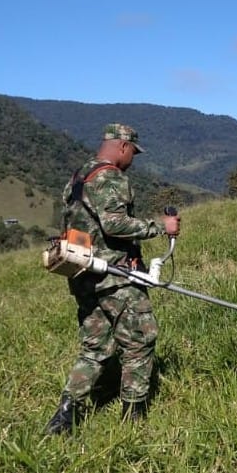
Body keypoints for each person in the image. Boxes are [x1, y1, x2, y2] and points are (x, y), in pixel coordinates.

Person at [45, 122, 181, 435]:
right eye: (133, 152)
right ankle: (133, 417)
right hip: (115, 277)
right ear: (122, 146)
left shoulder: (78, 178)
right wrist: (160, 228)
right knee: (140, 340)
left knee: (95, 349)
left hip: (82, 275)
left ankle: (65, 416)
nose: (133, 158)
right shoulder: (111, 176)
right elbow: (114, 224)